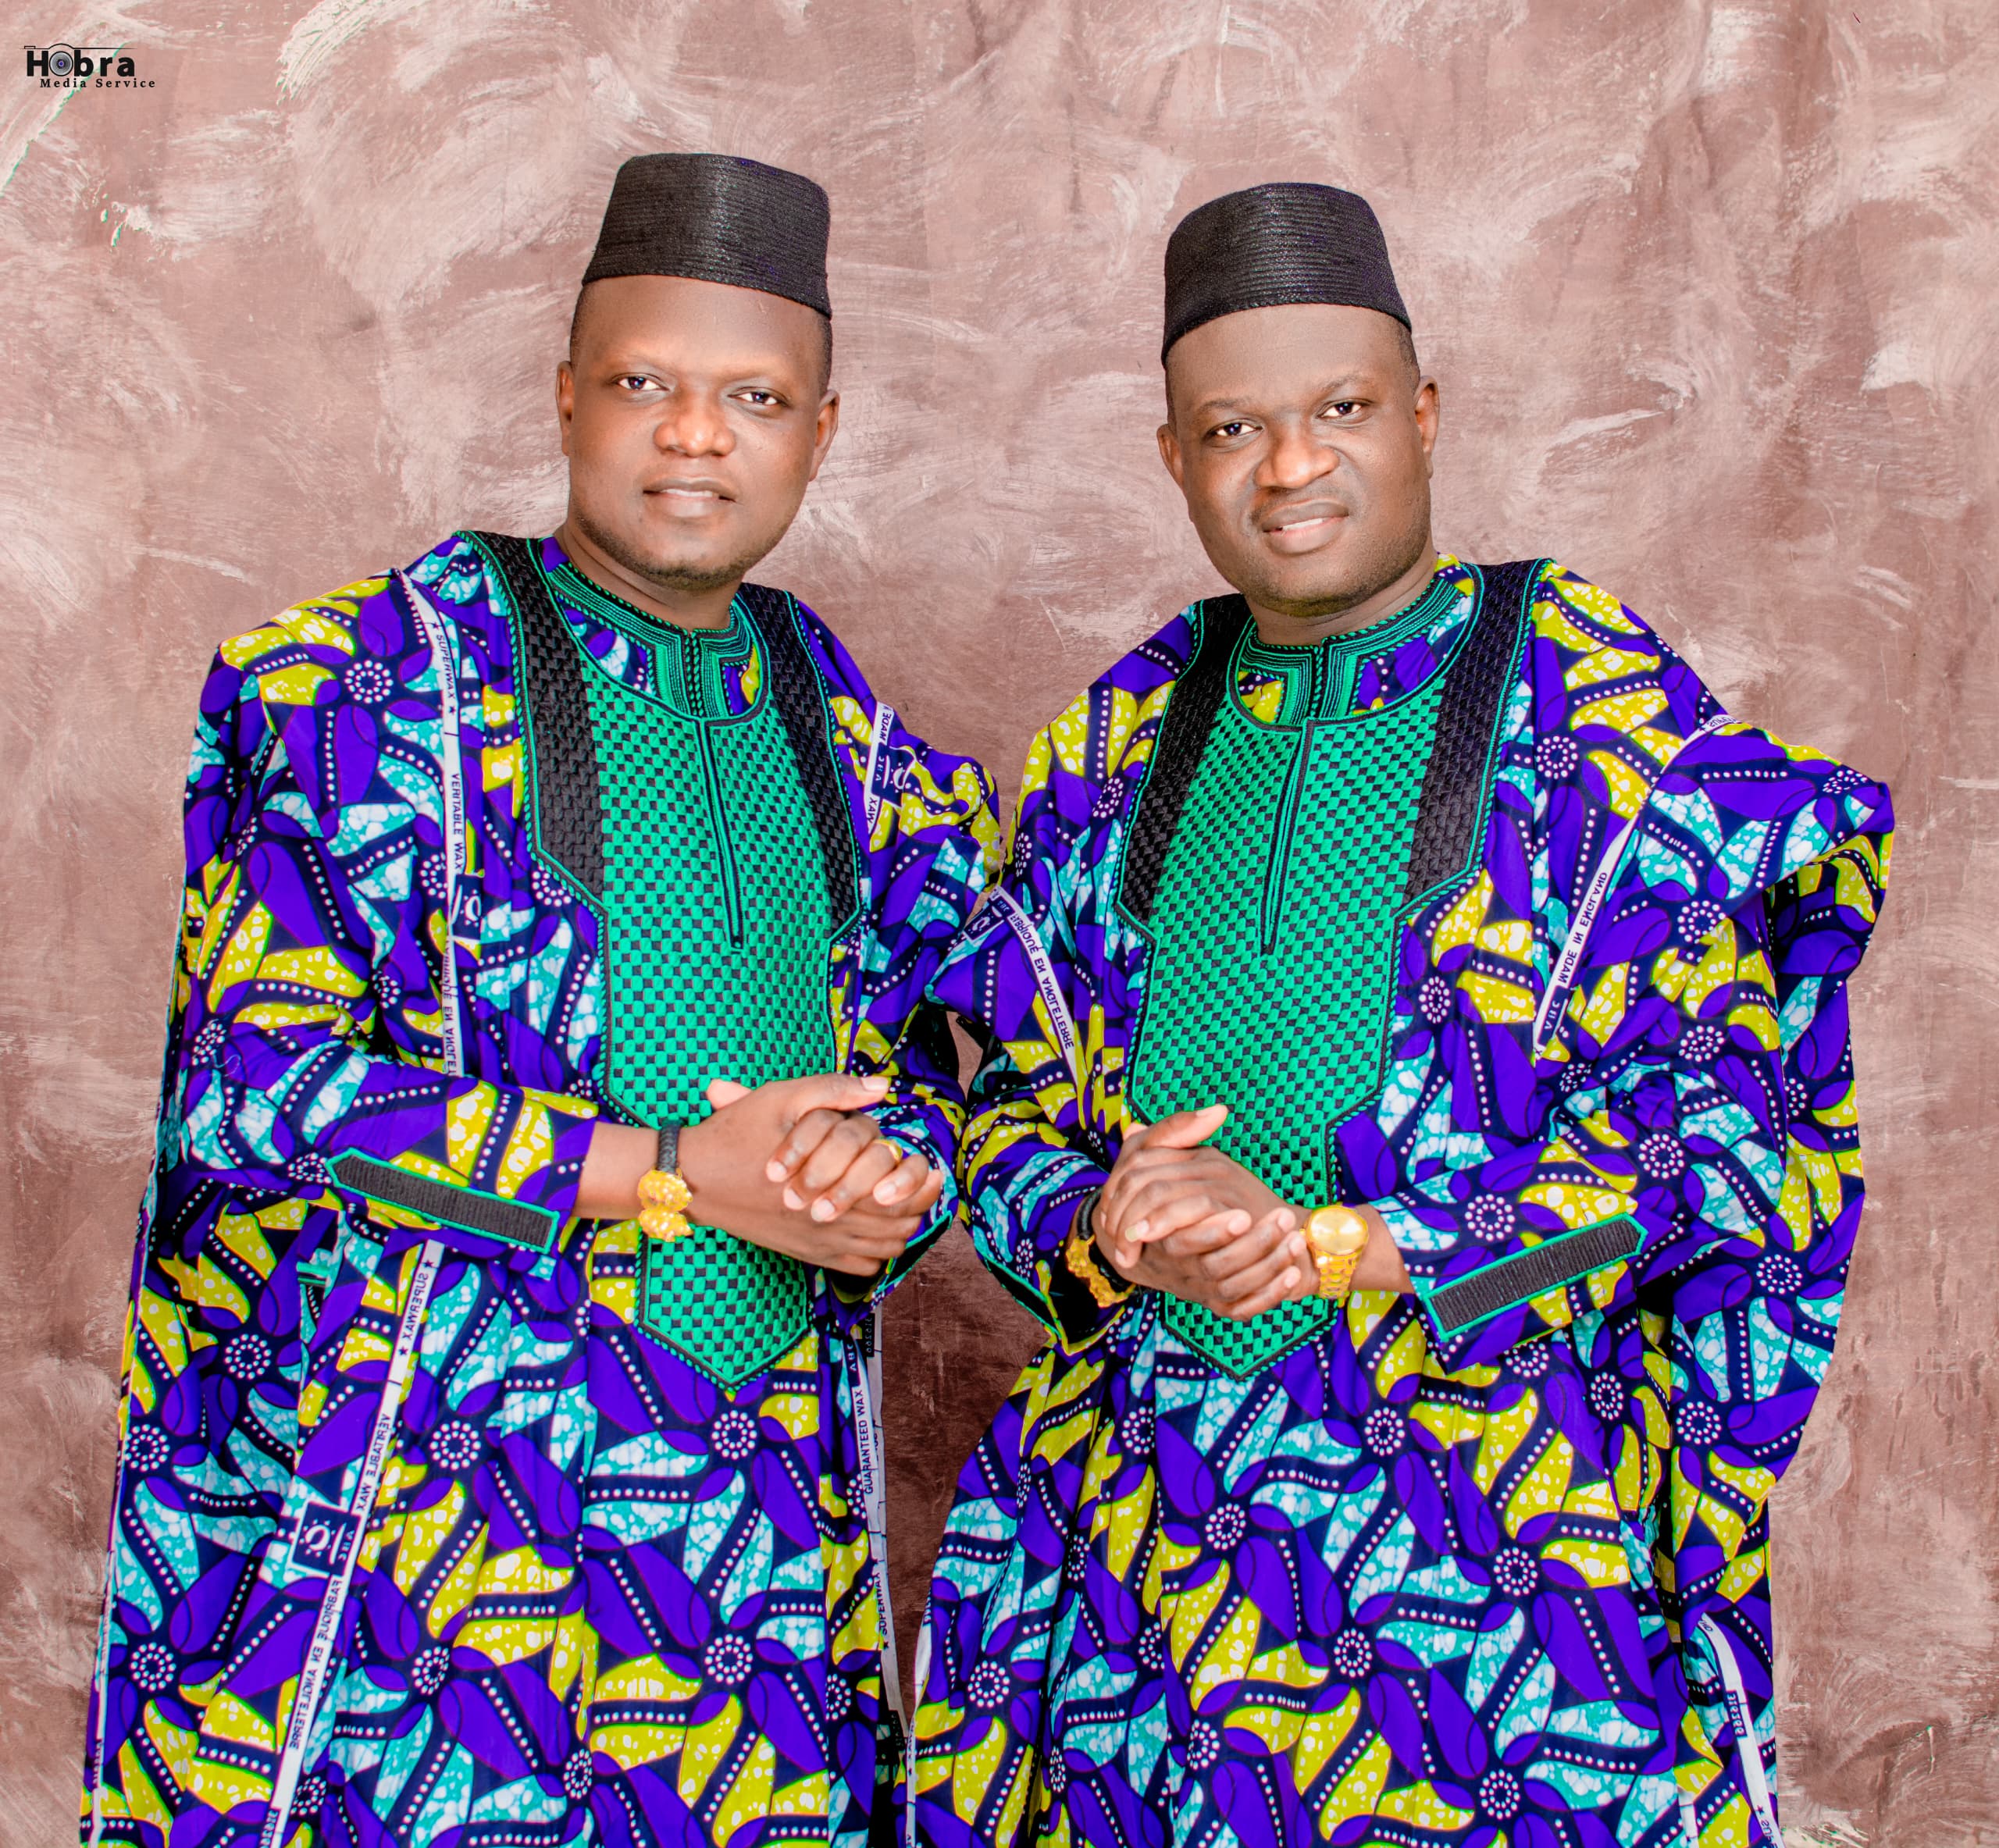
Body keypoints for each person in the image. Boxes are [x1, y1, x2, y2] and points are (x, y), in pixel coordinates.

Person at [913, 183, 1892, 1848]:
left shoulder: (1601, 717)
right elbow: (995, 1114)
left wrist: (1355, 1246)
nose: (1290, 466)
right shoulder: (1110, 748)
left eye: (1342, 409)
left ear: (1424, 415)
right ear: (1172, 457)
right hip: (1129, 1590)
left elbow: (1726, 1150)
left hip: (1498, 1580)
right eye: (1233, 428)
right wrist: (1102, 1216)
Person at [82, 153, 998, 1848]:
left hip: (757, 1554)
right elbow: (252, 1093)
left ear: (822, 431)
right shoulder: (357, 685)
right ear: (567, 393)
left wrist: (892, 1176)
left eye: (754, 398)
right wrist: (666, 1174)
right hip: (426, 1548)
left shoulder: (858, 745)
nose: (696, 436)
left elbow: (976, 1060)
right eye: (646, 384)